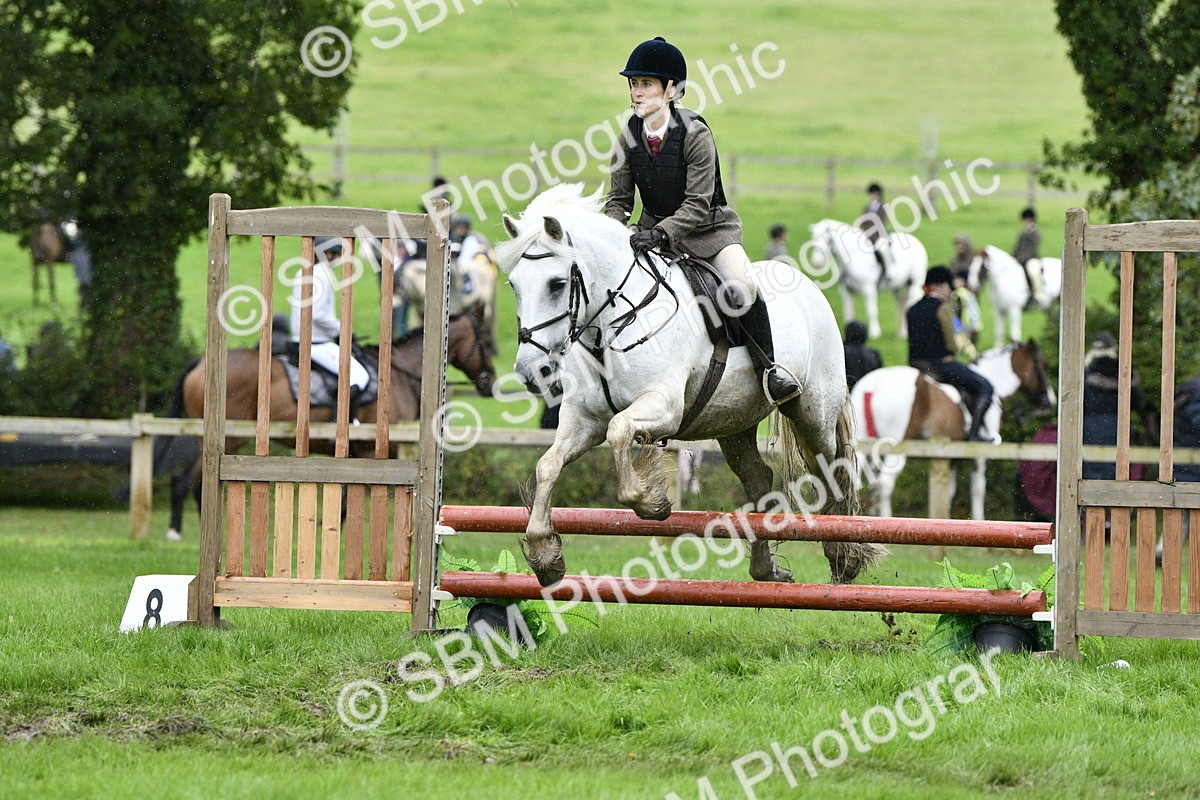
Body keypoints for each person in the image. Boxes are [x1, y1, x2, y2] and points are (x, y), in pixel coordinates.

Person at [604, 36, 799, 405]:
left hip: (709, 234)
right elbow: (618, 201)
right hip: (651, 236)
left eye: (646, 83)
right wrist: (615, 235)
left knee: (743, 286)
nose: (637, 92)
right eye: (634, 84)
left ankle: (770, 370)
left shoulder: (695, 134)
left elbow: (696, 204)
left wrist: (660, 233)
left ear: (672, 89)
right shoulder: (626, 138)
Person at [906, 265, 994, 442]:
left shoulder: (911, 308)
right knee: (985, 386)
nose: (949, 293)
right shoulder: (943, 308)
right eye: (948, 288)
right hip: (940, 364)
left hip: (916, 363)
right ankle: (975, 433)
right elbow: (952, 344)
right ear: (941, 286)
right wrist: (955, 350)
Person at [290, 237, 370, 408]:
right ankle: (339, 417)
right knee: (359, 377)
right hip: (317, 343)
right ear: (329, 253)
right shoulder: (322, 274)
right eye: (336, 254)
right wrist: (342, 331)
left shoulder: (303, 272)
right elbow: (318, 314)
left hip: (300, 338)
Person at [1082, 331, 1144, 481]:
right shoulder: (1124, 370)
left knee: (1091, 472)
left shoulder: (1087, 370)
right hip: (1119, 425)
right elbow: (1138, 402)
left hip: (1091, 427)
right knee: (1118, 473)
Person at [1013, 207, 1046, 307]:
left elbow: (1032, 250)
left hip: (1031, 259)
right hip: (1021, 259)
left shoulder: (1035, 234)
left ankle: (1038, 295)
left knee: (1033, 270)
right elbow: (1017, 248)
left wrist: (1022, 258)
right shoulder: (1022, 233)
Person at [859, 182, 891, 270]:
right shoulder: (867, 207)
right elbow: (862, 221)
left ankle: (888, 270)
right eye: (871, 194)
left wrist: (872, 234)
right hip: (867, 235)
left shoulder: (883, 207)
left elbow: (882, 223)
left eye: (874, 193)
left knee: (883, 249)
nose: (872, 196)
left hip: (879, 235)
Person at [843, 320, 881, 390]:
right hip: (868, 391)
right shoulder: (873, 353)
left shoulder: (843, 352)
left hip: (849, 392)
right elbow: (879, 376)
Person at [950, 269, 983, 350]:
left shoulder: (962, 294)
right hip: (968, 325)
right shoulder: (968, 294)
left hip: (966, 325)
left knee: (965, 345)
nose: (956, 282)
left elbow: (972, 310)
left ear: (964, 282)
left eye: (959, 280)